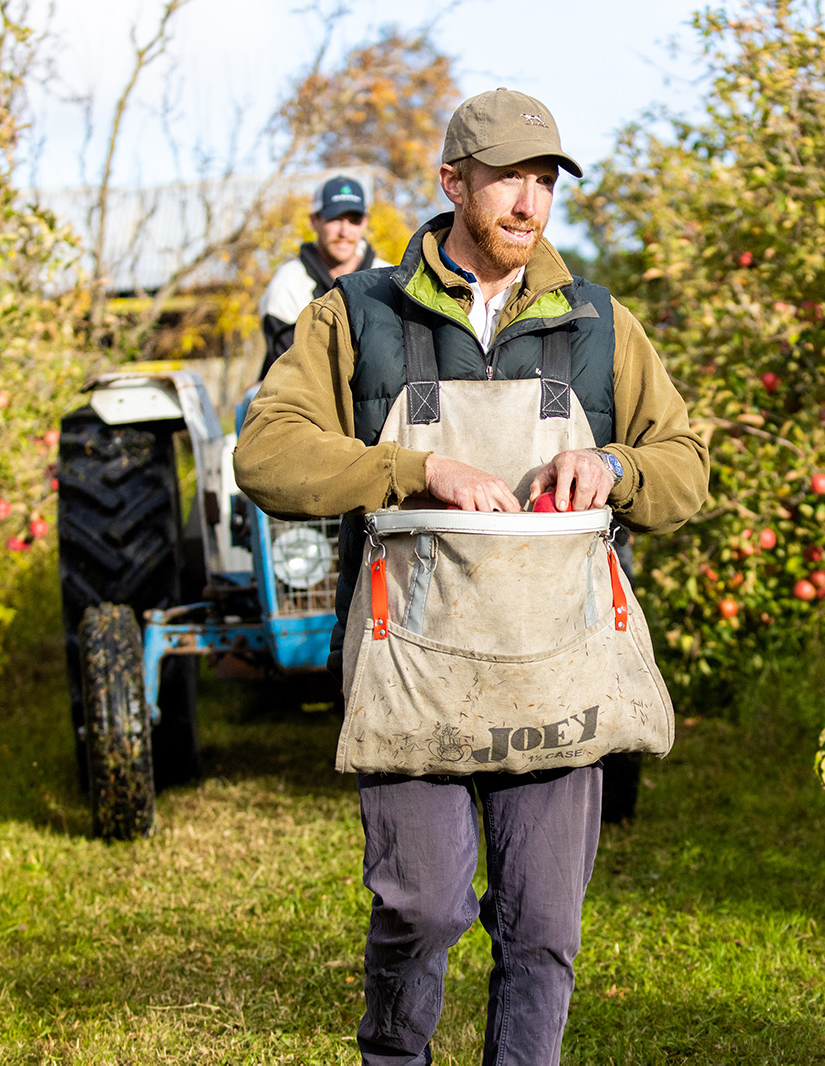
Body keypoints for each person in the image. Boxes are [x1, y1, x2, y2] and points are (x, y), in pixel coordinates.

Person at [234, 88, 708, 1066]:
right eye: (507, 180)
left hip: (560, 671)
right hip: (417, 672)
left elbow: (686, 466)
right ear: (452, 184)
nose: (529, 203)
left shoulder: (596, 325)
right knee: (426, 909)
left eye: (545, 181)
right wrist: (413, 468)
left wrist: (618, 467)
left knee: (541, 932)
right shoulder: (354, 317)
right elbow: (267, 455)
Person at [257, 173, 378, 377]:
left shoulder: (388, 277)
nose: (344, 231)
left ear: (364, 223)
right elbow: (293, 371)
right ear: (314, 221)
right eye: (334, 219)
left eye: (354, 220)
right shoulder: (287, 285)